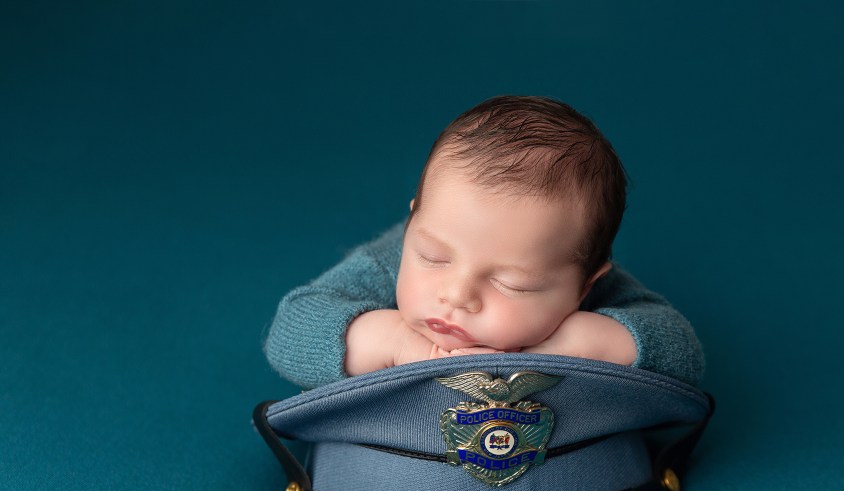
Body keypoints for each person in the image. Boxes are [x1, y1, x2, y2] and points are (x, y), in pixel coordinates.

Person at [264, 95, 704, 388]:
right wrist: (397, 345)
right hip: (386, 486)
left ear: (584, 286)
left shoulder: (593, 295)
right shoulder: (388, 262)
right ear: (415, 220)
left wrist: (579, 345)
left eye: (513, 284)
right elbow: (291, 330)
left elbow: (685, 355)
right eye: (432, 257)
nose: (456, 295)